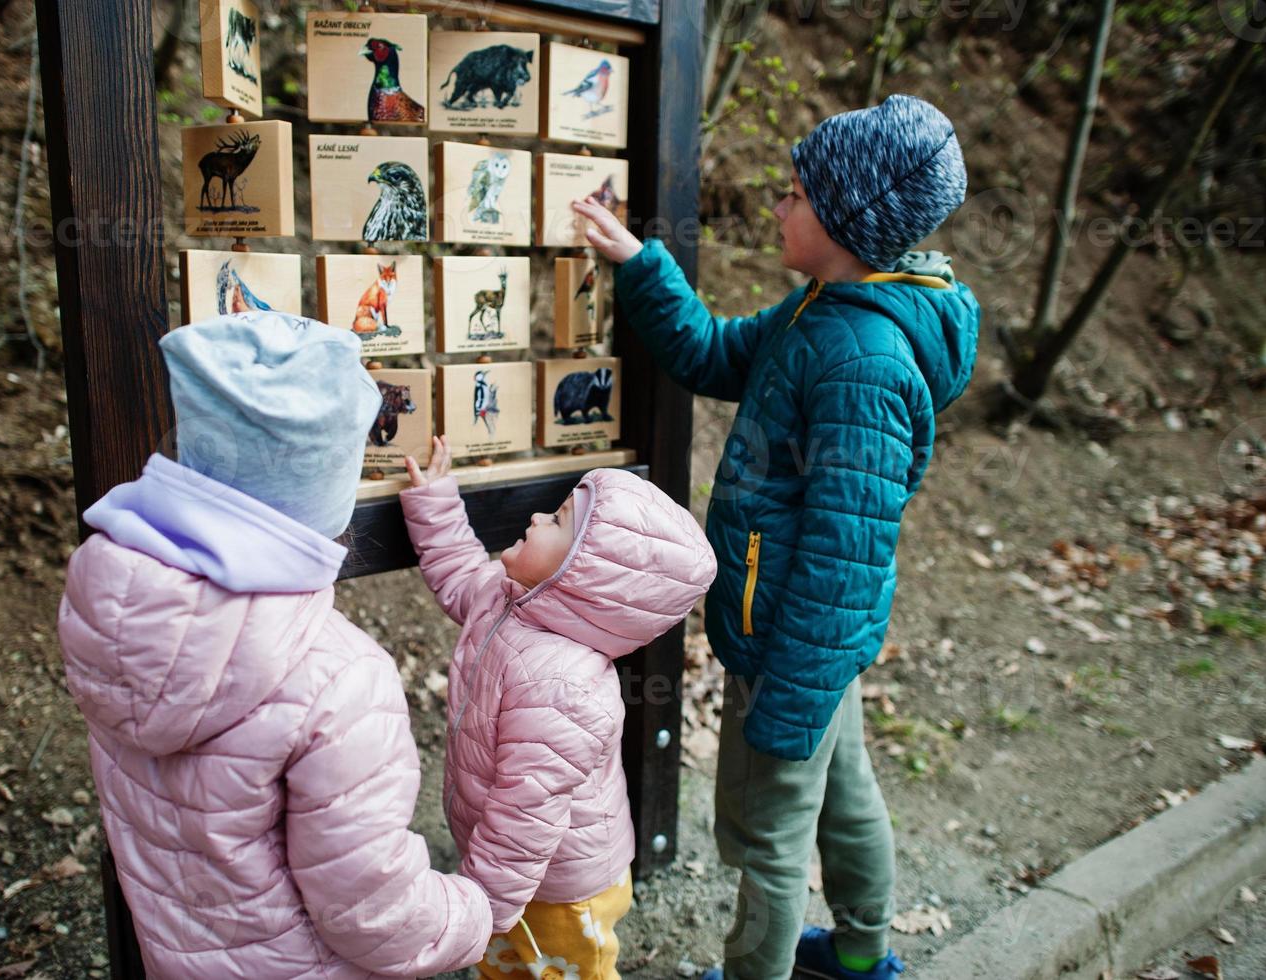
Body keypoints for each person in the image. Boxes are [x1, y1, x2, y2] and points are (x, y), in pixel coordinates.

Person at [573, 94, 981, 979]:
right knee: (841, 797)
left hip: (795, 648)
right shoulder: (822, 310)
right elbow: (714, 353)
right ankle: (864, 956)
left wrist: (791, 689)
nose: (777, 205)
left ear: (844, 220)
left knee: (769, 833)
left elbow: (845, 554)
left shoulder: (861, 362)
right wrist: (642, 265)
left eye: (794, 193)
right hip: (809, 645)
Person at [56, 312, 492, 978]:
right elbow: (370, 911)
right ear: (326, 489)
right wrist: (469, 912)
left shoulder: (112, 601)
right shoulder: (340, 680)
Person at [399, 436, 717, 979]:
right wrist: (435, 500)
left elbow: (527, 815)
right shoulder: (508, 600)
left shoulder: (565, 687)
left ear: (583, 574)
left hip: (559, 888)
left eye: (559, 519)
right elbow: (457, 569)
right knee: (507, 970)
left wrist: (487, 905)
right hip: (508, 871)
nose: (539, 515)